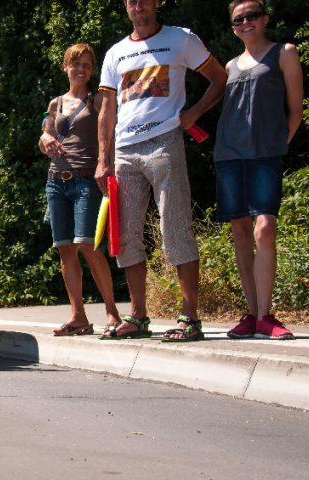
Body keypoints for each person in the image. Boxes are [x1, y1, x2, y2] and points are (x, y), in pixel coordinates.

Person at [96, 0, 227, 341]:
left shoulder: (181, 39)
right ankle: (138, 317)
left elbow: (218, 78)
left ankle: (190, 318)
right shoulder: (116, 53)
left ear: (155, 3)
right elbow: (107, 108)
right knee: (125, 237)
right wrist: (102, 159)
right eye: (131, 1)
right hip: (125, 152)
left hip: (165, 143)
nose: (138, 6)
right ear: (126, 6)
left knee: (176, 227)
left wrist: (194, 113)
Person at [215, 0, 303, 340]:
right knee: (240, 232)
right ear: (233, 26)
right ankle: (251, 314)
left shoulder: (285, 53)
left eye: (252, 16)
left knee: (264, 229)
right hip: (228, 155)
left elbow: (296, 109)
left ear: (264, 18)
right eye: (239, 19)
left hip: (265, 155)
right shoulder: (231, 64)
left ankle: (267, 315)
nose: (246, 22)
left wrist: (279, 144)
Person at [38, 43, 121, 336]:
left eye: (87, 64)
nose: (81, 69)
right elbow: (46, 133)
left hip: (87, 179)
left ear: (92, 70)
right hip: (56, 180)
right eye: (76, 63)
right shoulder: (55, 104)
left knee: (88, 245)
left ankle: (112, 312)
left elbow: (110, 131)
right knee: (65, 250)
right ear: (65, 67)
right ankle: (79, 317)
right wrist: (45, 139)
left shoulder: (97, 100)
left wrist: (107, 164)